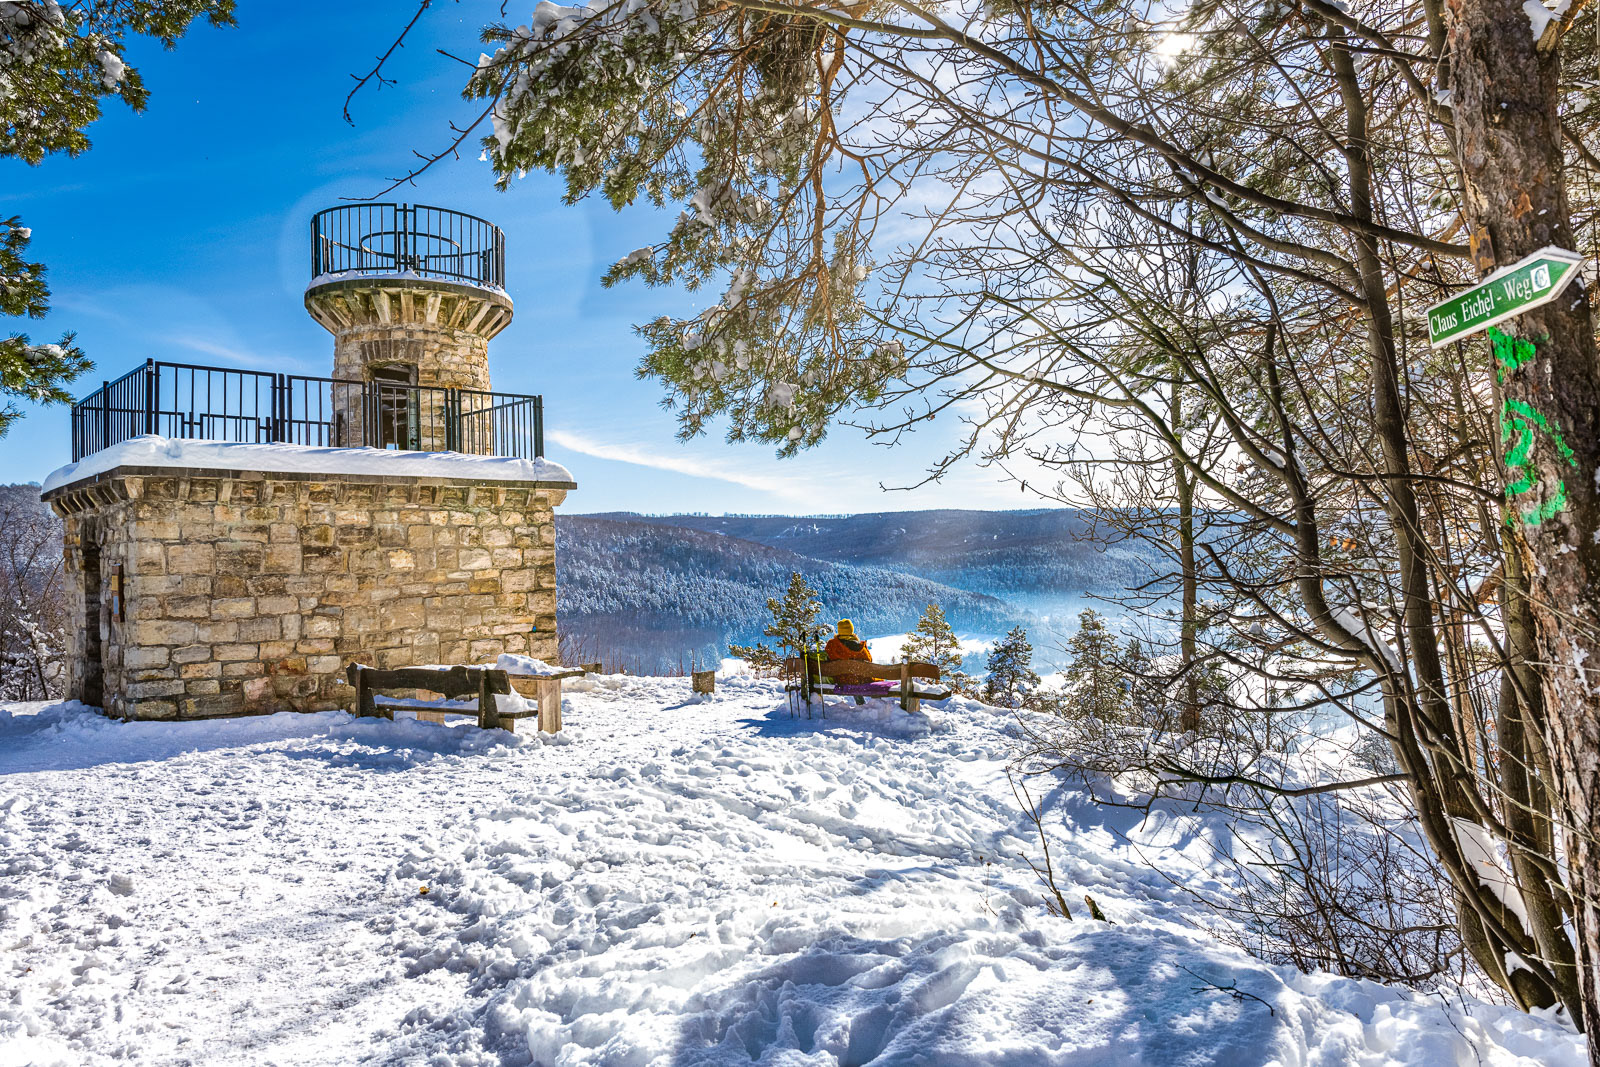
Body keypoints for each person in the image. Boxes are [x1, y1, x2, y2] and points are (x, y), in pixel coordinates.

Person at [825, 620, 873, 703]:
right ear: (851, 630)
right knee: (856, 678)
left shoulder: (832, 645)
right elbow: (869, 661)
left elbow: (828, 657)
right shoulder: (860, 647)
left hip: (840, 679)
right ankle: (876, 706)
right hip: (858, 680)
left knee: (851, 678)